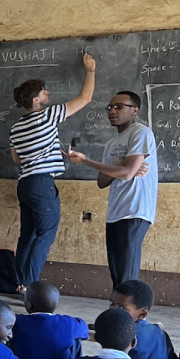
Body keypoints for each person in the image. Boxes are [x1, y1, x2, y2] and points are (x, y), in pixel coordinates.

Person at [8, 53, 97, 294]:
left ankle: (20, 282)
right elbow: (85, 98)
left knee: (27, 235)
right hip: (41, 184)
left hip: (25, 184)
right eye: (45, 92)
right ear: (36, 100)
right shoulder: (48, 115)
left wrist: (52, 151)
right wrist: (90, 70)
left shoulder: (16, 127)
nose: (49, 94)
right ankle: (30, 285)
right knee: (45, 233)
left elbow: (17, 159)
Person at [66, 90, 158, 287]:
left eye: (119, 106)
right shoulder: (111, 143)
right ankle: (117, 311)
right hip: (116, 211)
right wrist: (125, 164)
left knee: (127, 272)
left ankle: (127, 315)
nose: (112, 111)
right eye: (110, 107)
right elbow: (103, 180)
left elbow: (125, 173)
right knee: (116, 271)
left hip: (135, 210)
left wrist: (87, 161)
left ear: (134, 110)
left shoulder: (140, 132)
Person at [9, 281, 89, 359]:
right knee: (74, 338)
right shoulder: (69, 323)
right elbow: (85, 331)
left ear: (29, 305)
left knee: (7, 334)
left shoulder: (17, 321)